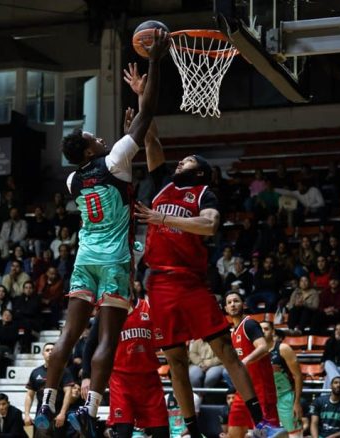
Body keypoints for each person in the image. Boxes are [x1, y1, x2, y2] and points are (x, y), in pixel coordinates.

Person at [126, 60, 285, 438]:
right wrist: (143, 96)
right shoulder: (162, 184)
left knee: (226, 352)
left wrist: (162, 218)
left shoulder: (203, 193)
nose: (180, 161)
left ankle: (262, 422)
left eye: (187, 160)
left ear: (199, 171)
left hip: (191, 282)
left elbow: (210, 225)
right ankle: (192, 429)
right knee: (176, 361)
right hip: (158, 283)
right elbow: (150, 138)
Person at [35, 30, 170, 438]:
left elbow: (113, 154)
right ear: (90, 150)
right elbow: (148, 115)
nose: (100, 137)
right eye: (94, 137)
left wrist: (124, 140)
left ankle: (46, 404)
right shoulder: (113, 160)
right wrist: (154, 62)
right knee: (107, 338)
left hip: (84, 259)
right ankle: (89, 409)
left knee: (68, 335)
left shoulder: (73, 179)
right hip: (114, 261)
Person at [81, 298, 169, 438]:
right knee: (124, 431)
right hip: (121, 380)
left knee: (162, 431)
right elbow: (90, 343)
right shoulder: (108, 310)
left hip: (149, 379)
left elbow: (163, 338)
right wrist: (86, 376)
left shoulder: (148, 306)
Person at [223, 293, 284, 438]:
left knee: (266, 434)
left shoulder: (249, 324)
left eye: (236, 301)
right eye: (229, 302)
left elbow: (263, 347)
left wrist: (244, 361)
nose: (233, 304)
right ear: (225, 308)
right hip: (243, 392)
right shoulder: (233, 332)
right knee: (233, 433)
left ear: (243, 305)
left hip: (261, 391)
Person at [260, 321, 304, 438]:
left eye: (266, 329)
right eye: (260, 329)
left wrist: (297, 402)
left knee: (294, 433)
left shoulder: (283, 349)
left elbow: (298, 376)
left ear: (273, 331)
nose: (263, 332)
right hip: (266, 398)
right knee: (266, 434)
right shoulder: (255, 351)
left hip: (285, 396)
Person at [24, 343, 74, 438]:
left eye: (52, 350)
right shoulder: (35, 372)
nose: (50, 352)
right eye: (47, 350)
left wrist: (62, 413)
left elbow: (68, 393)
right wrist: (26, 415)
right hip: (41, 414)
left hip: (58, 414)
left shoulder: (64, 371)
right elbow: (29, 395)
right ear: (43, 353)